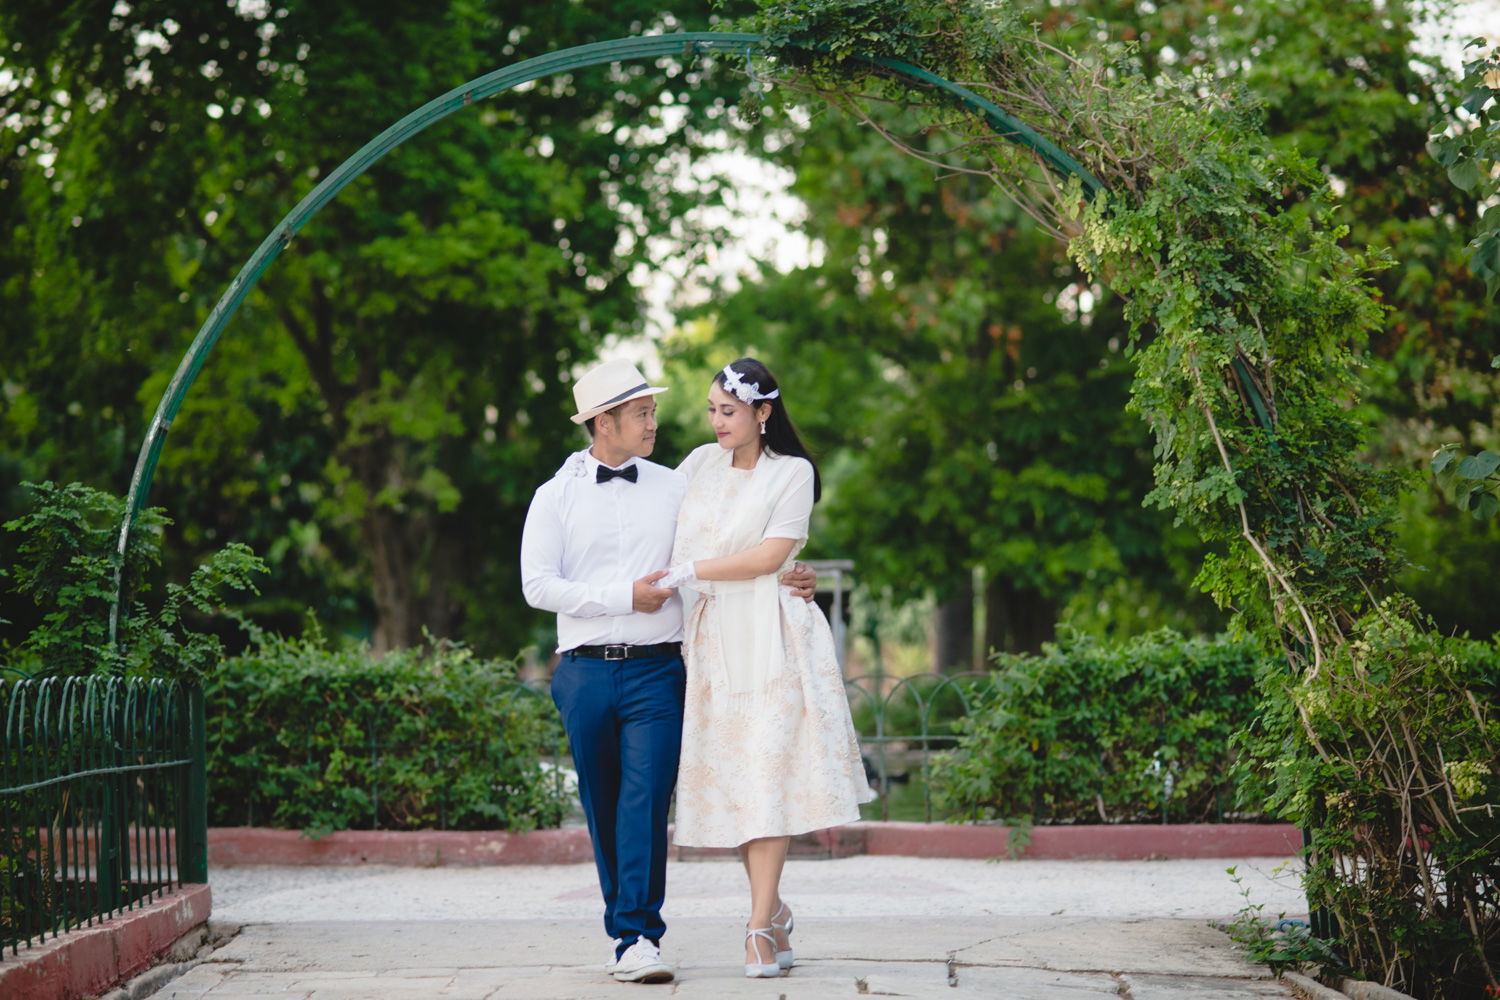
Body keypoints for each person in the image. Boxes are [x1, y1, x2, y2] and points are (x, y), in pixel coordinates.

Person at [519, 358, 816, 985]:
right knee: (602, 805)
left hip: (659, 670)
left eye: (652, 410)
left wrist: (795, 573)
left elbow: (740, 527)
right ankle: (624, 931)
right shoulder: (557, 495)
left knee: (647, 802)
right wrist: (625, 595)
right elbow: (537, 585)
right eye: (642, 413)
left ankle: (638, 938)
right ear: (604, 423)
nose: (656, 421)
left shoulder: (678, 482)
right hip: (584, 670)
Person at [656, 357, 875, 979]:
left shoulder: (793, 473)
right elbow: (657, 520)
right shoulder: (697, 464)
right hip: (712, 641)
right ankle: (774, 909)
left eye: (728, 410)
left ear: (763, 413)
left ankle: (756, 930)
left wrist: (692, 571)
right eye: (711, 410)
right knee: (734, 780)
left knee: (767, 774)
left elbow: (772, 554)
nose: (717, 421)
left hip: (775, 634)